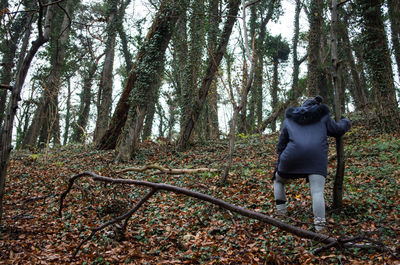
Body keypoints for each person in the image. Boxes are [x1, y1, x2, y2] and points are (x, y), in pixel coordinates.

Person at [273, 95, 351, 232]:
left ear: (302, 106)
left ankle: (281, 214)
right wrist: (346, 121)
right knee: (317, 192)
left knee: (278, 180)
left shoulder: (289, 119)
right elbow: (337, 130)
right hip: (316, 158)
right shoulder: (323, 116)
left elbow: (281, 145)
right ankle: (320, 228)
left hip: (291, 156)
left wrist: (280, 162)